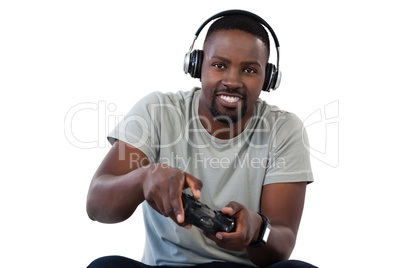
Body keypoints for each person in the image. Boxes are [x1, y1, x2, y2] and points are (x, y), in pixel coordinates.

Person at [86, 10, 316, 268]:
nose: (232, 81)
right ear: (196, 65)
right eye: (219, 65)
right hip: (166, 267)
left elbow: (281, 247)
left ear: (268, 78)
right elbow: (96, 207)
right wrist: (143, 177)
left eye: (249, 70)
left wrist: (257, 231)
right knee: (105, 265)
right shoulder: (158, 110)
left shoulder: (284, 129)